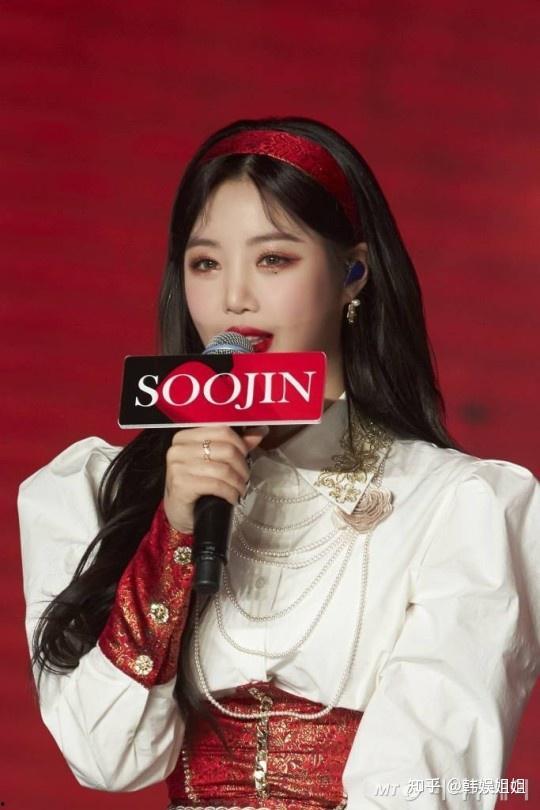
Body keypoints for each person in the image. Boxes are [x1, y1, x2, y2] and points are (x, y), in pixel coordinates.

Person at [18, 116, 539, 810]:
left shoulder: (455, 504)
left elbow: (429, 783)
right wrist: (172, 536)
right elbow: (106, 757)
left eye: (273, 260)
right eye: (206, 264)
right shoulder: (99, 489)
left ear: (353, 271)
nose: (235, 297)